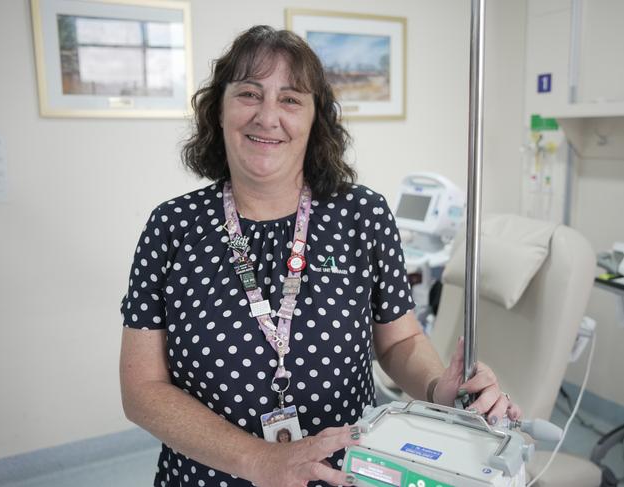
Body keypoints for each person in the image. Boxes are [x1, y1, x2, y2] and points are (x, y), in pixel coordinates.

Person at [119, 25, 521, 487]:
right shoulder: (173, 227)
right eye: (249, 93)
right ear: (219, 110)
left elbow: (399, 341)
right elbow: (142, 390)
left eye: (291, 99)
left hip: (344, 475)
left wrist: (436, 387)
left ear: (315, 120)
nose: (268, 117)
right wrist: (259, 460)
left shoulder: (361, 216)